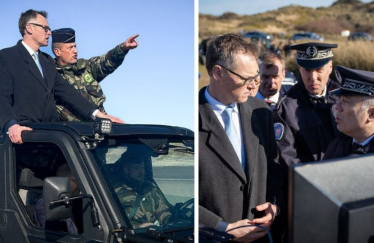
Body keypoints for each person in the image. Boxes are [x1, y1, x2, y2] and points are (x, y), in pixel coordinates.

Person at [199, 34, 283, 242]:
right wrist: (220, 228)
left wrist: (274, 206)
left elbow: (274, 170)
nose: (254, 86)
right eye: (246, 79)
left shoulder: (261, 112)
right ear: (218, 73)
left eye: (256, 77)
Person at [0, 10, 123, 144]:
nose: (49, 33)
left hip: (50, 138)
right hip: (24, 137)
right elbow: (2, 96)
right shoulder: (7, 57)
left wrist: (100, 115)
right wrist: (11, 124)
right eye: (45, 28)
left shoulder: (47, 62)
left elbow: (68, 93)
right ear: (29, 28)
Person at [273, 42, 340, 166]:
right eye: (307, 70)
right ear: (299, 69)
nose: (313, 77)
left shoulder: (345, 98)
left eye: (319, 69)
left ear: (330, 67)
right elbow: (287, 157)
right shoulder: (286, 107)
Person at [51, 28, 139, 121]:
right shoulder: (51, 75)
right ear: (58, 52)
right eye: (70, 48)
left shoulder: (86, 67)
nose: (75, 51)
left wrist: (123, 48)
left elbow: (106, 61)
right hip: (72, 131)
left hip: (100, 125)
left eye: (75, 46)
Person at [324, 66, 374, 159]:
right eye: (339, 99)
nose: (337, 107)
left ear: (371, 113)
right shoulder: (338, 144)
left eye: (346, 101)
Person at [115, 156, 172, 229]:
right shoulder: (118, 193)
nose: (141, 172)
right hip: (135, 235)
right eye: (136, 168)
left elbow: (162, 209)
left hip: (157, 231)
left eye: (142, 168)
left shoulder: (150, 187)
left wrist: (167, 222)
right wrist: (138, 227)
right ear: (126, 170)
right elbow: (115, 221)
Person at [34, 163, 80, 234]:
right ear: (64, 182)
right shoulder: (46, 204)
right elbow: (56, 236)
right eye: (76, 181)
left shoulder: (67, 200)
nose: (78, 186)